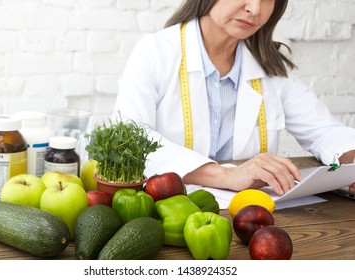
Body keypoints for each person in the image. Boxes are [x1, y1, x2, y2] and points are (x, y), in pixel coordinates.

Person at [113, 0, 355, 195]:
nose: (255, 8)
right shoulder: (155, 52)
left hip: (247, 219)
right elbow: (130, 140)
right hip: (167, 215)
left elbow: (325, 130)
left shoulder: (270, 66)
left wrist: (350, 159)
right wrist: (227, 176)